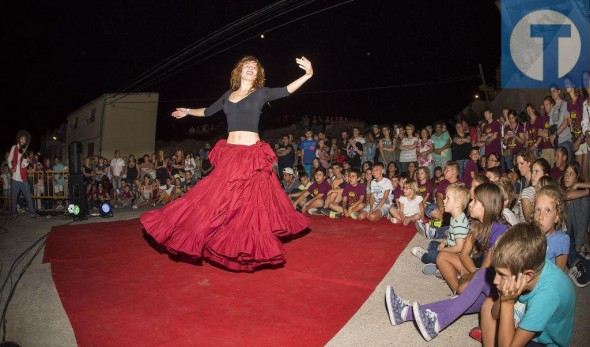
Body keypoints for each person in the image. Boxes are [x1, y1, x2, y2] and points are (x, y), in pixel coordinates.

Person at [140, 55, 313, 272]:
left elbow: (286, 90)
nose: (251, 68)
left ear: (257, 74)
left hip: (251, 156)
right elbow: (207, 111)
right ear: (239, 71)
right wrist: (187, 112)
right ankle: (203, 234)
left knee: (249, 205)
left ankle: (246, 247)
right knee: (215, 200)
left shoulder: (260, 93)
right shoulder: (228, 95)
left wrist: (307, 75)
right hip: (230, 154)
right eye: (247, 66)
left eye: (254, 67)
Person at [482, 222, 575, 347]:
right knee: (489, 303)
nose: (495, 280)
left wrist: (508, 303)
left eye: (502, 274)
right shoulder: (528, 265)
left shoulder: (547, 295)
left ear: (527, 276)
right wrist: (504, 299)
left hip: (543, 343)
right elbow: (494, 314)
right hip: (522, 322)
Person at [411, 183, 469, 271]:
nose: (444, 201)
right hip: (451, 247)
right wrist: (444, 242)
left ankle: (425, 257)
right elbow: (451, 235)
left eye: (448, 198)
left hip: (456, 255)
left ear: (457, 203)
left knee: (432, 255)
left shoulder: (460, 224)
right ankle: (440, 266)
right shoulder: (455, 217)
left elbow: (459, 248)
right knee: (432, 244)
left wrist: (444, 250)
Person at [7, 130, 36, 218]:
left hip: (23, 178)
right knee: (14, 198)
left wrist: (27, 162)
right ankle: (14, 213)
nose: (23, 140)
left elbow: (24, 165)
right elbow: (9, 160)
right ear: (19, 139)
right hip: (15, 178)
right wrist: (11, 167)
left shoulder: (25, 151)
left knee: (28, 197)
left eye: (24, 139)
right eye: (22, 138)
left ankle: (32, 213)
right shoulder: (14, 148)